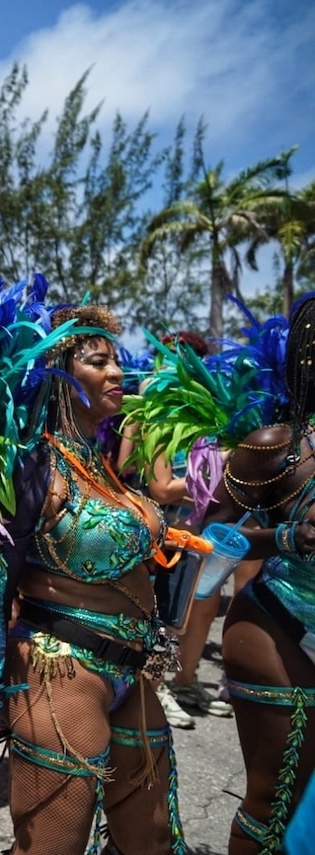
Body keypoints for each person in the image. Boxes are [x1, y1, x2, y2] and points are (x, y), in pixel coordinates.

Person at [0, 305, 184, 853]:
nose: (116, 372)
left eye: (117, 361)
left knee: (151, 840)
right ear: (58, 374)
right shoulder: (35, 466)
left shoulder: (101, 465)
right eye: (98, 360)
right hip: (61, 668)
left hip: (134, 671)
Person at [206, 293, 315, 854]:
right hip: (277, 628)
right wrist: (282, 537)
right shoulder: (278, 447)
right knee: (277, 800)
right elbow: (203, 539)